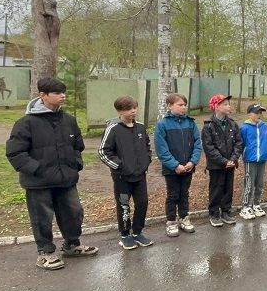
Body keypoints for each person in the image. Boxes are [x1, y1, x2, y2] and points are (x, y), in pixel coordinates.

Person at [6, 77, 99, 270]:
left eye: (63, 92)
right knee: (42, 219)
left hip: (66, 179)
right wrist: (37, 169)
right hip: (39, 183)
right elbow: (15, 152)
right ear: (42, 95)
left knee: (74, 213)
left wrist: (75, 164)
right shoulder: (26, 123)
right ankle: (45, 253)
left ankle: (72, 245)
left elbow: (78, 146)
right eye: (57, 93)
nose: (62, 96)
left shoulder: (69, 120)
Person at [98, 95, 153, 250]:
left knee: (142, 203)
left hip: (140, 176)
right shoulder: (113, 129)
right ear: (120, 111)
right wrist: (120, 166)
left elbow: (147, 146)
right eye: (129, 109)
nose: (133, 111)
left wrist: (146, 160)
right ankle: (125, 235)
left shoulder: (140, 127)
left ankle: (137, 232)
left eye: (134, 108)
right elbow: (103, 152)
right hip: (122, 178)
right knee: (124, 206)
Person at [155, 93, 201, 237]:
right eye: (180, 105)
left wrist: (192, 161)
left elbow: (197, 144)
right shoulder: (162, 125)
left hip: (188, 167)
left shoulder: (190, 123)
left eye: (184, 105)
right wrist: (175, 165)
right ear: (169, 106)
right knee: (173, 194)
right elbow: (161, 149)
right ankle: (171, 221)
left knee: (184, 193)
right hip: (171, 169)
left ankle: (184, 217)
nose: (183, 107)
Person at [201, 94, 242, 227]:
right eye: (225, 104)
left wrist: (233, 159)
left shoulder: (233, 124)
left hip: (230, 163)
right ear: (216, 107)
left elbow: (239, 143)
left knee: (228, 188)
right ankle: (214, 213)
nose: (229, 106)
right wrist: (224, 161)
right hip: (216, 165)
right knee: (216, 189)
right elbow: (209, 148)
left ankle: (226, 211)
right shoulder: (208, 126)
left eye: (228, 104)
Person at [239, 103, 267, 220]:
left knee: (259, 183)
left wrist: (264, 153)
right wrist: (241, 155)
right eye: (256, 112)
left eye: (260, 112)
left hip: (261, 159)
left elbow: (266, 140)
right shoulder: (244, 128)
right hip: (250, 159)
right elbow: (241, 144)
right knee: (249, 184)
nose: (259, 115)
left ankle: (256, 204)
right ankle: (245, 207)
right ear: (249, 114)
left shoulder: (265, 127)